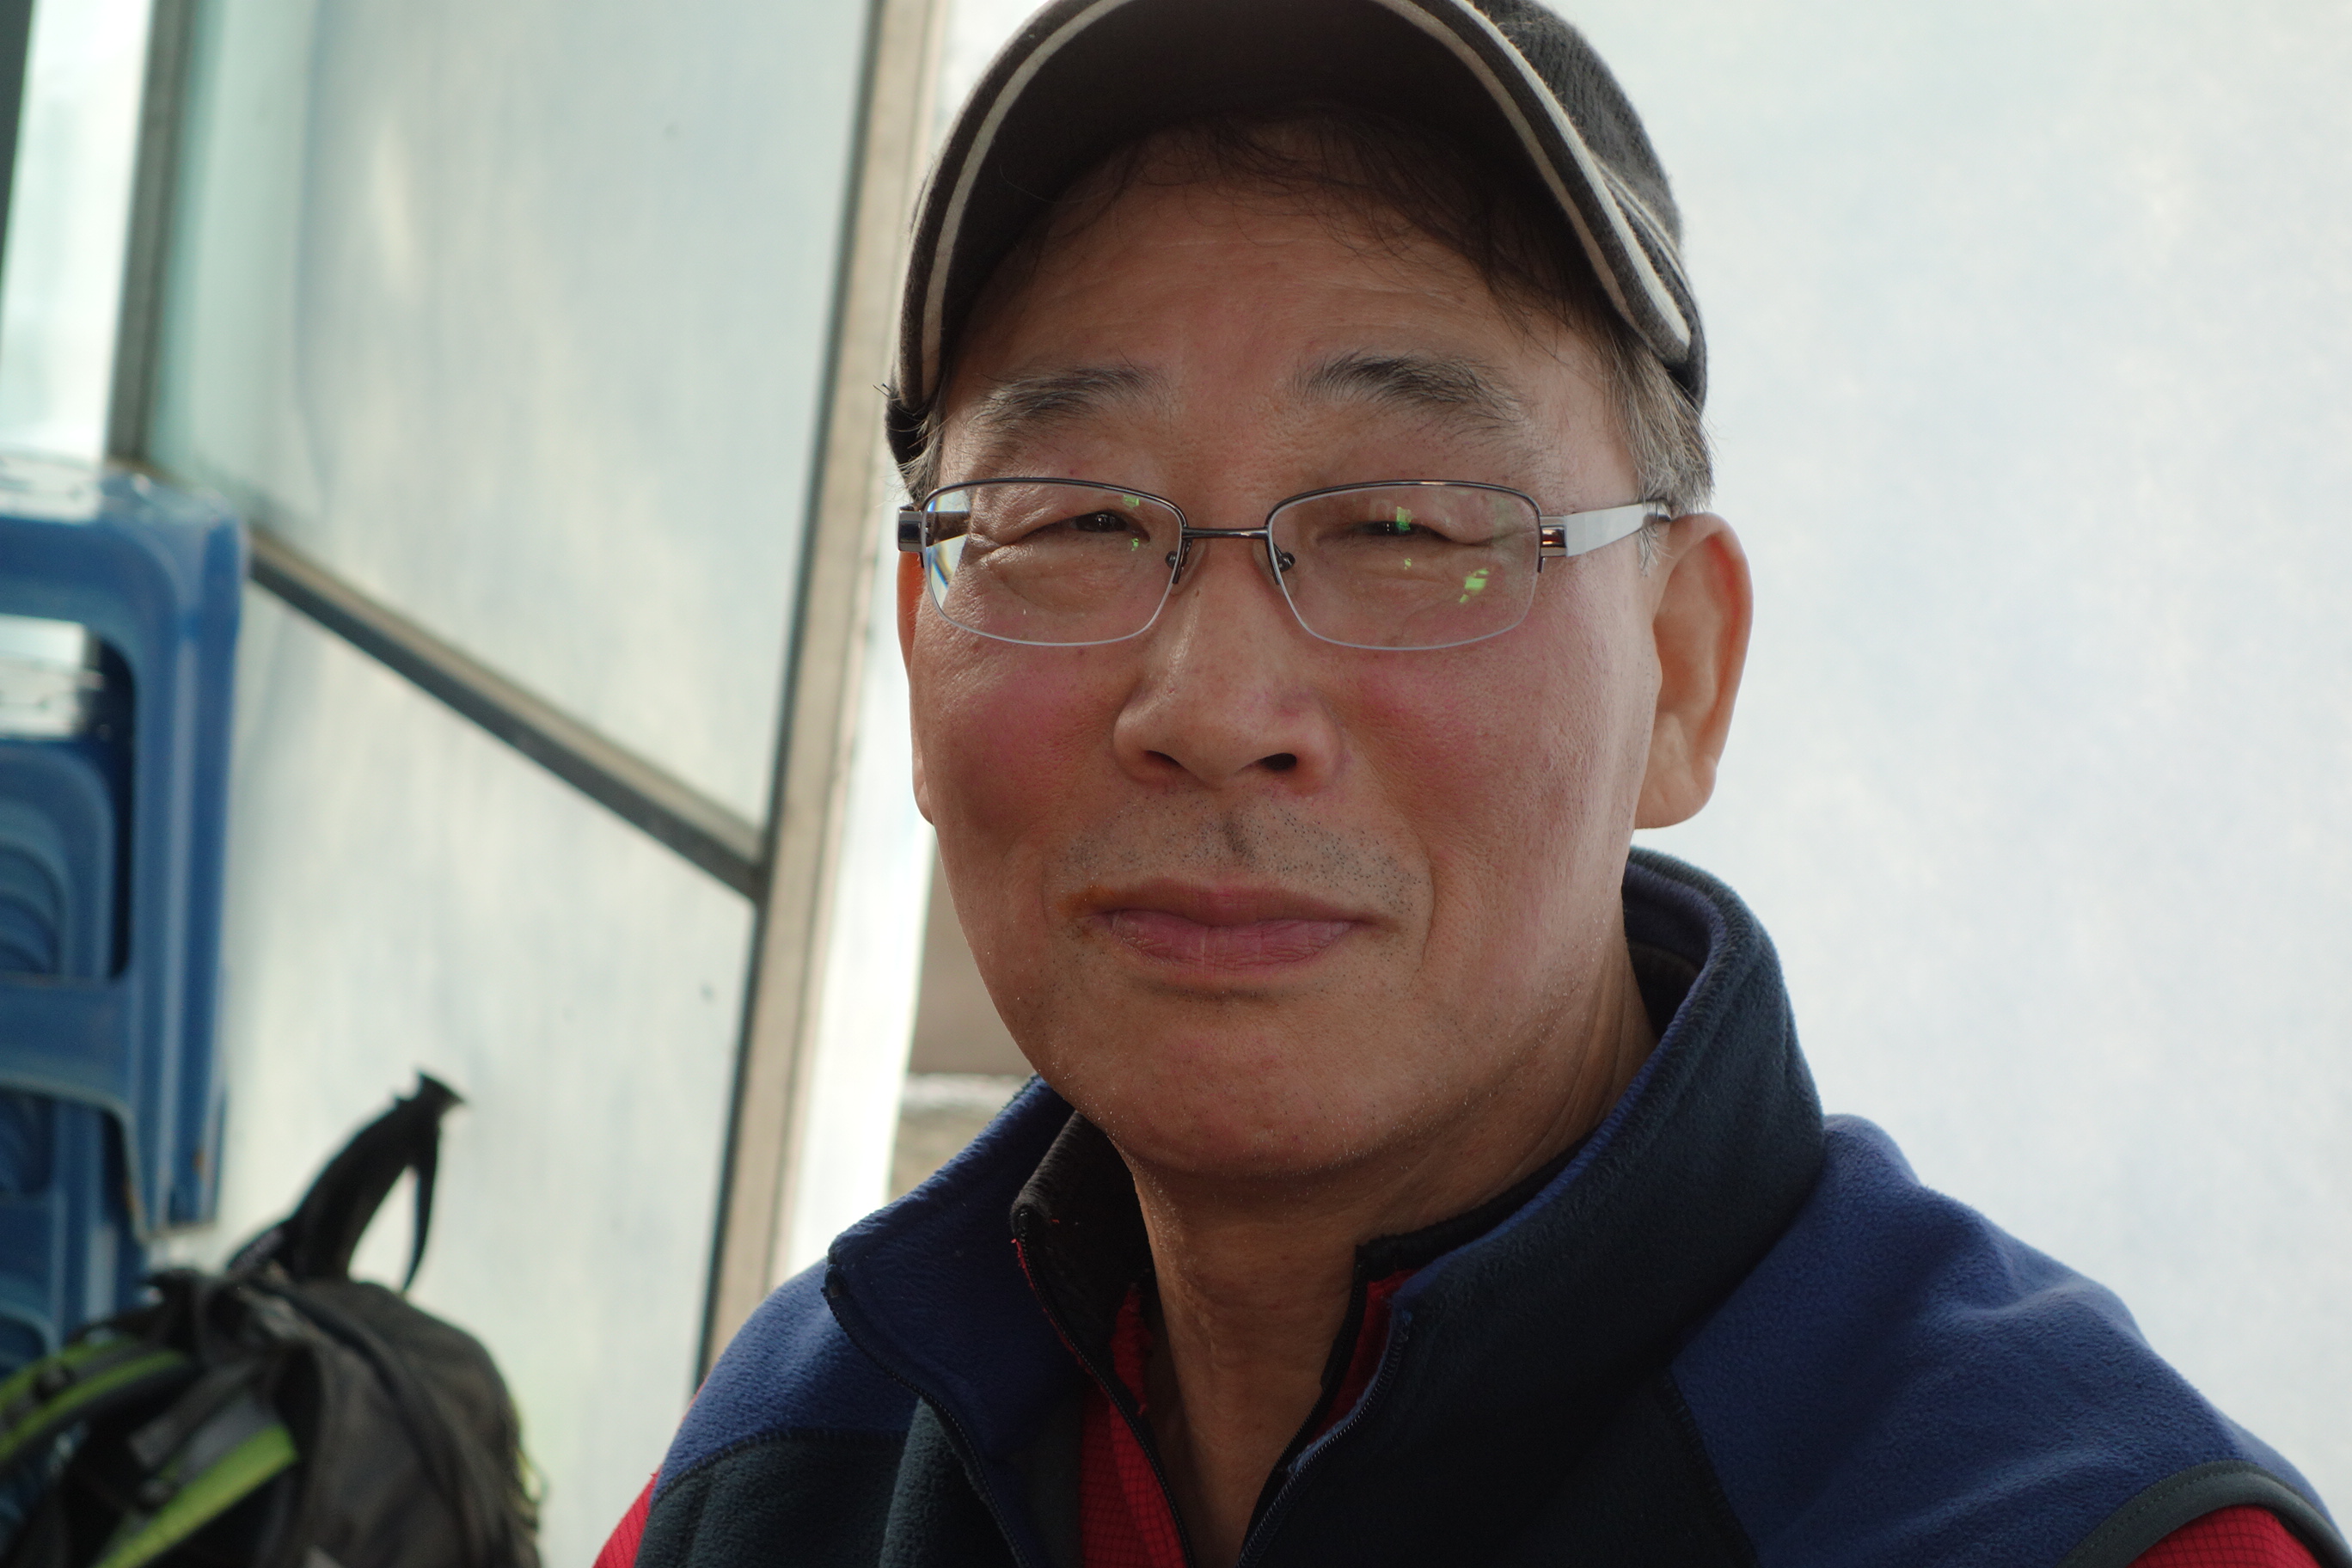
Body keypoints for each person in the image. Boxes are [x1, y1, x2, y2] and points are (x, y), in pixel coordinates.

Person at [601, 2, 2347, 1564]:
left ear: (1680, 673)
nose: (1212, 706)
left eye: (1404, 527)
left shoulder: (2067, 1534)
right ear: (922, 651)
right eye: (1073, 521)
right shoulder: (787, 1473)